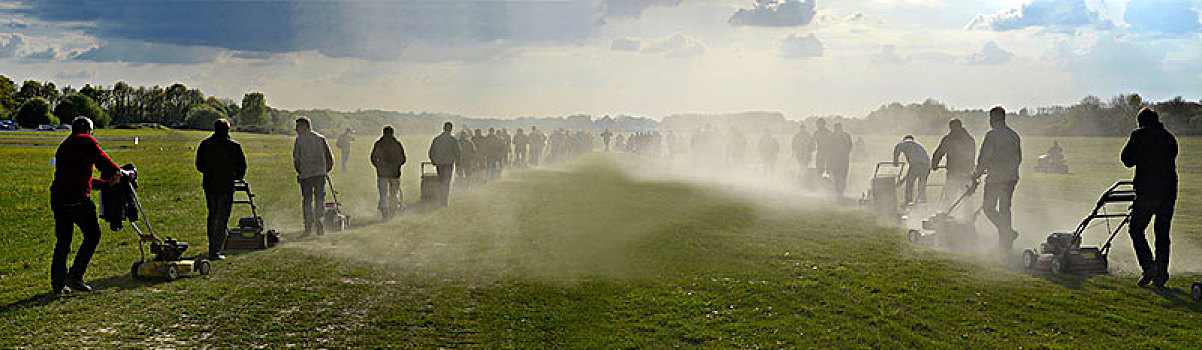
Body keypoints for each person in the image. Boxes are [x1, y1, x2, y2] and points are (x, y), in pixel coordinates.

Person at [49, 117, 131, 293]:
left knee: (63, 241)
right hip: (77, 199)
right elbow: (105, 162)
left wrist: (106, 184)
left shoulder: (64, 146)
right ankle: (75, 276)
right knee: (93, 235)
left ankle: (58, 283)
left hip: (59, 198)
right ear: (88, 130)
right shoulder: (86, 141)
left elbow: (82, 179)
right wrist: (122, 172)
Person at [1121, 108, 1177, 287]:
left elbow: (1127, 159)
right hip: (1168, 191)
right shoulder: (1169, 137)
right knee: (1162, 234)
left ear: (1141, 122)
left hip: (1148, 191)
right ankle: (1160, 275)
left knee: (1136, 229)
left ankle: (1148, 267)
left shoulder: (1139, 135)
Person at [195, 118, 247, 261]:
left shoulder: (205, 144)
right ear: (228, 130)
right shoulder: (234, 146)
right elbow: (242, 166)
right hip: (226, 185)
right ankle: (216, 250)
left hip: (210, 185)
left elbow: (199, 165)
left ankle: (213, 245)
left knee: (212, 215)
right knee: (223, 217)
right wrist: (237, 176)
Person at [973, 106, 1022, 253]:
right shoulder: (1014, 135)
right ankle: (1005, 246)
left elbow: (984, 157)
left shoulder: (992, 135)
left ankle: (1007, 232)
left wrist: (976, 174)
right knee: (1005, 210)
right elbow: (1019, 158)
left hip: (995, 179)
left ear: (993, 119)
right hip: (1011, 178)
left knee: (988, 208)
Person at [293, 117, 334, 236]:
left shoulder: (299, 140)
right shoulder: (320, 138)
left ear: (304, 126)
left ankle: (308, 225)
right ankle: (319, 220)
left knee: (307, 200)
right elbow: (329, 157)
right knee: (320, 199)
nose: (296, 129)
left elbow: (296, 159)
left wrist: (299, 172)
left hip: (306, 174)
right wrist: (326, 169)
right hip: (320, 173)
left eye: (298, 127)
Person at [930, 119, 976, 214]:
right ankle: (968, 219)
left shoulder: (949, 139)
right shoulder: (969, 139)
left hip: (954, 174)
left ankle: (945, 217)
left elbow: (939, 152)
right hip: (967, 174)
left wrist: (934, 164)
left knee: (949, 197)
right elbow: (972, 156)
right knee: (967, 198)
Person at [370, 126, 406, 218]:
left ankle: (384, 213)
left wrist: (378, 166)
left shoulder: (379, 144)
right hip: (395, 174)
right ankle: (393, 211)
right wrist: (396, 166)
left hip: (382, 173)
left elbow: (373, 158)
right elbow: (403, 159)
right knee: (394, 194)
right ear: (392, 133)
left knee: (383, 194)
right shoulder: (397, 144)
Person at [428, 122, 461, 206]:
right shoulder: (453, 140)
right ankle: (444, 201)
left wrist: (433, 161)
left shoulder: (437, 139)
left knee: (440, 181)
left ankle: (440, 199)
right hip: (448, 164)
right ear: (451, 129)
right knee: (446, 183)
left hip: (439, 164)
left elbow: (431, 151)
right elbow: (457, 152)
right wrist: (458, 162)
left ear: (443, 128)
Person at [892, 135, 931, 206]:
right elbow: (911, 173)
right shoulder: (918, 146)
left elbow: (897, 148)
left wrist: (895, 161)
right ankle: (921, 201)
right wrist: (903, 180)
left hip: (916, 164)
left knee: (909, 184)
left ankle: (908, 201)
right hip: (927, 165)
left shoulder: (905, 142)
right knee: (922, 184)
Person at [828, 123, 853, 198]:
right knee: (836, 176)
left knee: (843, 176)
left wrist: (846, 153)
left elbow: (850, 146)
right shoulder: (831, 136)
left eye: (839, 128)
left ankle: (841, 191)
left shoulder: (846, 136)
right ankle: (838, 191)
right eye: (836, 128)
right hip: (835, 160)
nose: (838, 130)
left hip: (844, 159)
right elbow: (828, 148)